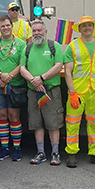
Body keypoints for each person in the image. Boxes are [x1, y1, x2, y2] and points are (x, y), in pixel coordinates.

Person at [63, 16, 95, 168]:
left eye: (90, 25)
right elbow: (67, 71)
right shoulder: (73, 46)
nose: (87, 28)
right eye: (84, 26)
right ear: (79, 29)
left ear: (94, 27)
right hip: (77, 91)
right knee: (72, 124)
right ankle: (71, 154)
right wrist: (72, 92)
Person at [19, 20, 64, 165]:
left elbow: (58, 66)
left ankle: (55, 153)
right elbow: (22, 68)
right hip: (33, 91)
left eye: (39, 30)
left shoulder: (54, 46)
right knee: (36, 123)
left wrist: (42, 78)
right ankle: (40, 152)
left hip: (50, 91)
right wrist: (34, 80)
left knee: (53, 122)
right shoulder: (27, 48)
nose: (37, 33)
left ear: (45, 31)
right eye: (34, 31)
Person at [0, 15, 27, 162]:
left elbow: (23, 64)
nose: (6, 28)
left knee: (14, 116)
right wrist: (0, 75)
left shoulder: (21, 44)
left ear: (12, 26)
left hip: (16, 85)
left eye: (8, 25)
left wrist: (8, 77)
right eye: (3, 26)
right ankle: (5, 148)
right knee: (2, 116)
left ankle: (16, 148)